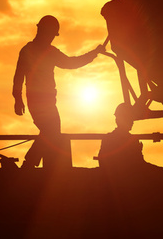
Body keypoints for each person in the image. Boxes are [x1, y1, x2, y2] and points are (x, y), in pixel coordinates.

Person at [13, 15, 104, 169]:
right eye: (50, 34)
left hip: (47, 102)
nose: (51, 39)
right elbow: (18, 78)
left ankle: (41, 165)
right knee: (51, 131)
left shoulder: (47, 52)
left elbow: (70, 63)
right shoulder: (29, 51)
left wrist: (93, 54)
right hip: (37, 101)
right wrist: (17, 99)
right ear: (42, 31)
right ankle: (30, 164)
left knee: (51, 132)